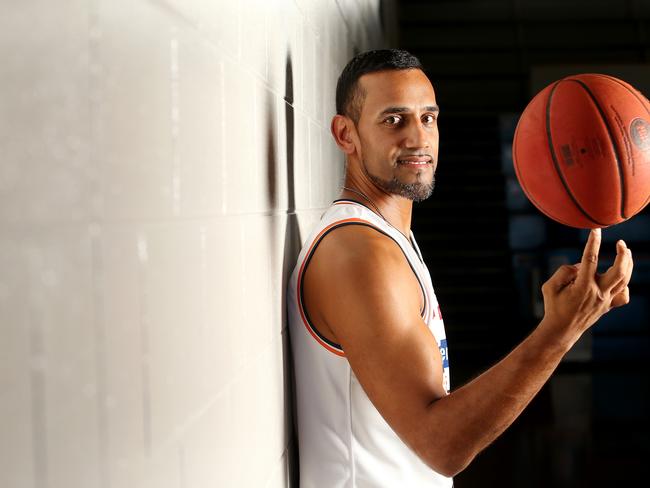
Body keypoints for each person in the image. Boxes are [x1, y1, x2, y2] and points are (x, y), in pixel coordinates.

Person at [286, 49, 633, 488]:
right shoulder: (359, 254)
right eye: (393, 120)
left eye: (428, 118)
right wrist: (561, 330)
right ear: (345, 134)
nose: (417, 138)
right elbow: (442, 445)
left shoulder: (387, 240)